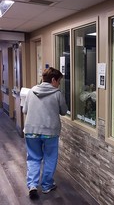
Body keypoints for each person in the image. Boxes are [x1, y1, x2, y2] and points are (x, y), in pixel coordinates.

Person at [22, 67, 68, 200]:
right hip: (50, 132)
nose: (59, 84)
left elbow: (25, 110)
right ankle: (47, 185)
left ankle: (32, 185)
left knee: (33, 158)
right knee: (50, 158)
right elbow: (64, 111)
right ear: (53, 80)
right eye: (58, 81)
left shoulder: (31, 92)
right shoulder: (57, 93)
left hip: (31, 131)